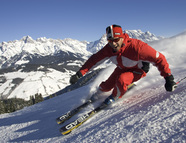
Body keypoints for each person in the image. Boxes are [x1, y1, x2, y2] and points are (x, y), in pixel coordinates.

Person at [70, 24, 177, 106]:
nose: (113, 43)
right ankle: (98, 94)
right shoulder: (108, 49)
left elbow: (159, 58)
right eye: (110, 40)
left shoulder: (137, 47)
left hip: (138, 70)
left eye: (116, 40)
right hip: (121, 68)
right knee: (106, 86)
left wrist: (168, 78)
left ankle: (114, 97)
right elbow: (94, 60)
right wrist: (79, 74)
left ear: (122, 37)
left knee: (121, 80)